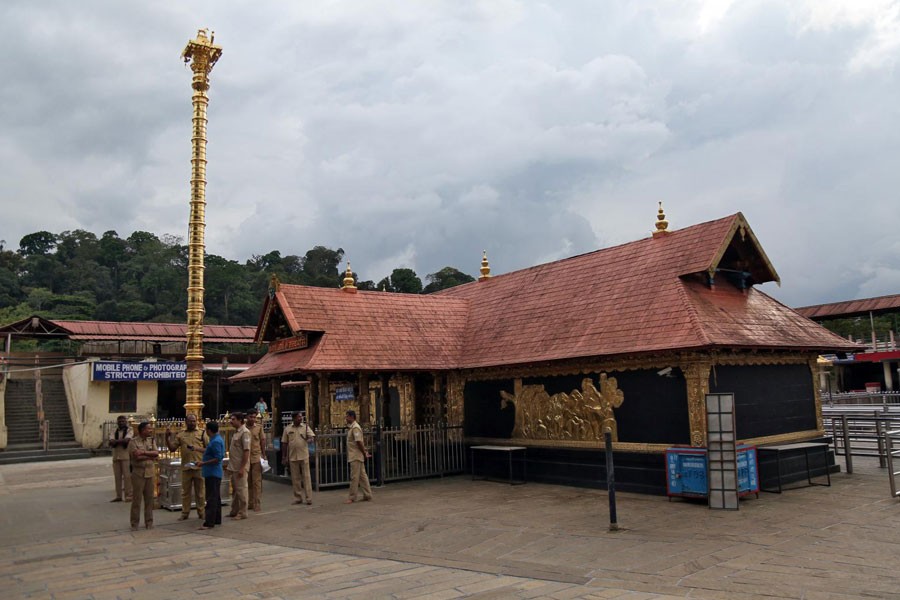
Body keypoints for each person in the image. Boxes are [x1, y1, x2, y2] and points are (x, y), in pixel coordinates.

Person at [165, 413, 207, 521]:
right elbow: (172, 449)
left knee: (200, 492)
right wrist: (167, 438)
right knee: (185, 492)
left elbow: (208, 448)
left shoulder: (202, 433)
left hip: (199, 467)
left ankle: (201, 512)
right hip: (186, 467)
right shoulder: (181, 435)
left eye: (194, 421)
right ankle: (185, 513)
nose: (192, 423)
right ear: (186, 422)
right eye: (190, 421)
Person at [128, 421, 159, 530]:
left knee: (149, 499)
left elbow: (156, 453)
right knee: (137, 499)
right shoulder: (133, 442)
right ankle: (134, 523)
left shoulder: (151, 440)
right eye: (148, 429)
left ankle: (149, 522)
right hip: (138, 473)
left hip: (150, 472)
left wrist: (144, 453)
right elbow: (136, 457)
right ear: (142, 430)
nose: (150, 431)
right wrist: (150, 456)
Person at [196, 420, 225, 530]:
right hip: (212, 472)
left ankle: (209, 522)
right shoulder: (215, 440)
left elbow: (217, 458)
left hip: (213, 472)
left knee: (211, 497)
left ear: (208, 430)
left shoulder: (216, 441)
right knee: (215, 496)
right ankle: (216, 518)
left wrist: (203, 463)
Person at [282, 412, 315, 505]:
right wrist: (284, 457)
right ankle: (298, 497)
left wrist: (310, 439)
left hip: (304, 455)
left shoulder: (305, 427)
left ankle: (309, 498)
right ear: (293, 418)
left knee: (306, 477)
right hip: (293, 456)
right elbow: (284, 443)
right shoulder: (287, 429)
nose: (300, 418)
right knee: (295, 478)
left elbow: (312, 437)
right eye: (298, 417)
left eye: (301, 417)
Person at [344, 410, 373, 504]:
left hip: (355, 455)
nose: (346, 418)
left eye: (347, 416)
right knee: (362, 476)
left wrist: (364, 452)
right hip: (356, 454)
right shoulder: (351, 428)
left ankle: (352, 497)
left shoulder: (355, 428)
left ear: (352, 417)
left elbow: (359, 442)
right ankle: (367, 494)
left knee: (354, 477)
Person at [227, 412, 251, 520]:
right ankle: (234, 510)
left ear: (240, 420)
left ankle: (243, 512)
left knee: (241, 490)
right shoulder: (236, 432)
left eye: (233, 419)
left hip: (240, 467)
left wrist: (242, 468)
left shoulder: (245, 432)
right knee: (236, 491)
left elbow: (246, 451)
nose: (231, 421)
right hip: (234, 466)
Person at [246, 409, 267, 512]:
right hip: (245, 459)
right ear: (247, 417)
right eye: (251, 417)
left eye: (254, 417)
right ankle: (250, 503)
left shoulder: (258, 428)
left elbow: (262, 440)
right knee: (248, 481)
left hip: (256, 457)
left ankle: (257, 503)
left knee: (256, 482)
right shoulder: (243, 428)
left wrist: (264, 454)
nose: (253, 419)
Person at [108, 415, 133, 502]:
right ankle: (118, 496)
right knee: (117, 477)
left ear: (125, 422)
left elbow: (127, 440)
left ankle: (128, 495)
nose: (121, 423)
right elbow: (111, 441)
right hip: (116, 456)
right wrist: (119, 441)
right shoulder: (113, 430)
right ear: (117, 422)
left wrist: (116, 441)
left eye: (123, 421)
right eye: (120, 421)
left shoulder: (129, 430)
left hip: (125, 456)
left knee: (127, 477)